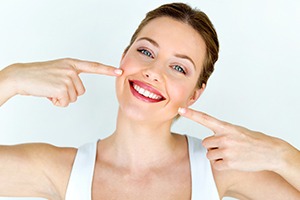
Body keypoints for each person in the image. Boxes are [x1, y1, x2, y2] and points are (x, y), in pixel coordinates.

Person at [0, 2, 299, 200]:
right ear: (123, 58)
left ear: (195, 93)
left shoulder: (217, 168)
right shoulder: (62, 169)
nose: (153, 72)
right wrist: (10, 79)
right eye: (146, 52)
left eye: (179, 68)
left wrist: (281, 155)